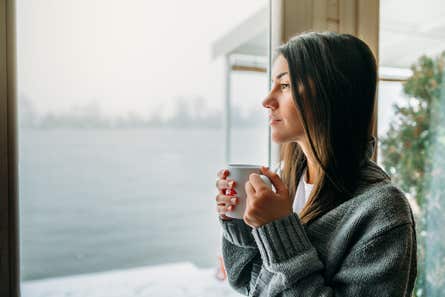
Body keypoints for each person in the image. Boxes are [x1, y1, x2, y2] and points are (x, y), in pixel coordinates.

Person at [214, 32, 417, 297]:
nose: (267, 100)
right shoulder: (281, 181)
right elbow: (250, 283)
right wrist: (239, 219)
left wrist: (277, 231)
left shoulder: (382, 212)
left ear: (331, 93)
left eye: (284, 85)